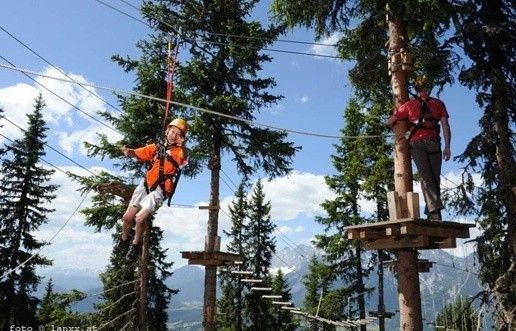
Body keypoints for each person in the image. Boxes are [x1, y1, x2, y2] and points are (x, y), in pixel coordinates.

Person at [116, 118, 188, 260]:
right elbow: (139, 152)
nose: (174, 135)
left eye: (178, 134)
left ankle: (136, 245)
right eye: (172, 131)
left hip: (160, 190)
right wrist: (128, 151)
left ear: (182, 138)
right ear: (167, 131)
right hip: (145, 185)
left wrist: (183, 146)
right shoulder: (156, 147)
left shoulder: (180, 152)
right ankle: (123, 240)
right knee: (126, 218)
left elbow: (184, 159)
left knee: (140, 218)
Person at [387, 77, 451, 221]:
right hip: (434, 143)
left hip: (417, 144)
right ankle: (433, 213)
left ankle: (433, 211)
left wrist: (394, 126)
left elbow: (390, 121)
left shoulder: (408, 105)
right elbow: (445, 126)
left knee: (426, 178)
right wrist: (447, 146)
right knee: (434, 178)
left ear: (416, 89)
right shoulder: (438, 103)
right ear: (427, 88)